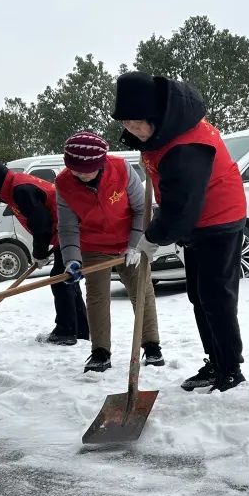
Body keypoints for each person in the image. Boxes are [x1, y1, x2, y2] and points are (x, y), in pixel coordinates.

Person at [112, 71, 247, 392]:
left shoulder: (186, 146)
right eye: (126, 124)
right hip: (198, 221)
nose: (131, 130)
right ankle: (215, 360)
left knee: (216, 297)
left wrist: (152, 237)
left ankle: (229, 368)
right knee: (199, 296)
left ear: (155, 115)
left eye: (136, 124)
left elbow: (181, 209)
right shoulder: (163, 132)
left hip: (219, 220)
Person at [54, 131, 164, 372]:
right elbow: (68, 227)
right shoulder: (63, 183)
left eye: (86, 170)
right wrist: (72, 259)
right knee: (97, 297)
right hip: (94, 246)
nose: (79, 175)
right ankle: (100, 352)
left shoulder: (121, 170)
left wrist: (135, 245)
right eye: (75, 170)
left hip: (130, 241)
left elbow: (140, 210)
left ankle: (152, 346)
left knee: (142, 291)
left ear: (100, 163)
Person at [0, 158, 87, 346]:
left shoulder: (20, 190)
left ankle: (67, 331)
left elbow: (41, 224)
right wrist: (41, 250)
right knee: (67, 280)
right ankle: (80, 330)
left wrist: (38, 253)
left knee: (60, 279)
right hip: (65, 233)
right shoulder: (17, 185)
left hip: (71, 231)